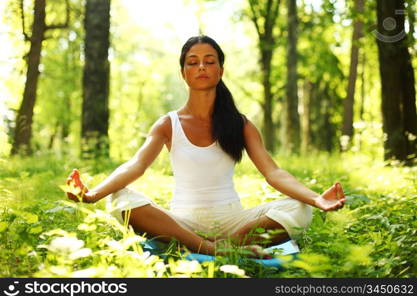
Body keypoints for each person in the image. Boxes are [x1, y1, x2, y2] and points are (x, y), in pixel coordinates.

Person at [66, 35, 345, 258]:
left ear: (220, 71)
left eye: (209, 61)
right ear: (183, 72)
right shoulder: (167, 124)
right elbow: (136, 165)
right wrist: (92, 195)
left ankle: (223, 244)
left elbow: (274, 173)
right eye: (193, 62)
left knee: (300, 209)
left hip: (235, 223)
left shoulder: (241, 124)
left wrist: (316, 199)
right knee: (120, 199)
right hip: (182, 223)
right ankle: (211, 249)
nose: (201, 67)